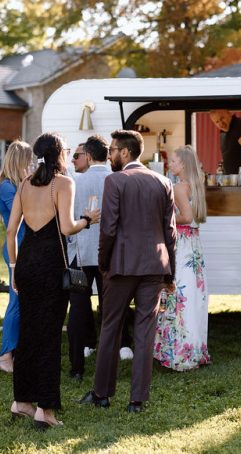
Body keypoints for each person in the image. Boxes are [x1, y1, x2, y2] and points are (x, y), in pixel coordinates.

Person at [6, 133, 100, 429]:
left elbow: (11, 232)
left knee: (28, 333)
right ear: (60, 154)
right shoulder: (63, 183)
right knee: (48, 337)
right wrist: (88, 219)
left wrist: (13, 268)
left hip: (25, 264)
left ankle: (21, 401)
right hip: (49, 265)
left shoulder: (24, 184)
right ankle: (44, 410)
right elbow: (68, 228)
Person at [80, 130, 176, 413]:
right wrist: (169, 274)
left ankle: (102, 394)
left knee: (111, 328)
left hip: (121, 266)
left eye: (111, 151)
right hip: (154, 267)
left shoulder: (115, 180)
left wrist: (103, 263)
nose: (109, 155)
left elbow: (108, 229)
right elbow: (170, 233)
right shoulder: (163, 181)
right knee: (145, 332)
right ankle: (137, 400)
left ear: (125, 153)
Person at [66, 136, 133, 382]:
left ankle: (76, 366)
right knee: (111, 309)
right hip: (110, 254)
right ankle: (111, 360)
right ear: (106, 155)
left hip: (80, 255)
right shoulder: (118, 181)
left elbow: (71, 219)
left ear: (90, 156)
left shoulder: (75, 183)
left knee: (78, 309)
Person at [154, 145, 211, 371]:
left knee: (179, 296)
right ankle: (195, 349)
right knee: (194, 299)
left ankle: (179, 353)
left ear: (184, 164)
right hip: (195, 244)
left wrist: (163, 217)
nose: (171, 164)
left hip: (184, 245)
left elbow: (186, 216)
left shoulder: (178, 187)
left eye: (174, 161)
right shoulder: (196, 185)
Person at [0, 140, 33, 373]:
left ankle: (17, 351)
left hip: (26, 248)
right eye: (29, 162)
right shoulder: (8, 188)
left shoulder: (15, 185)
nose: (32, 166)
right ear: (20, 162)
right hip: (15, 249)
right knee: (16, 301)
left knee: (24, 301)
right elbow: (25, 216)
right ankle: (5, 356)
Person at [208, 109, 241, 174]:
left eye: (222, 118)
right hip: (231, 179)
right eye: (217, 122)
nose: (221, 123)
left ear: (229, 114)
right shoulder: (223, 133)